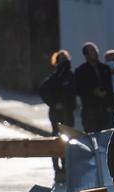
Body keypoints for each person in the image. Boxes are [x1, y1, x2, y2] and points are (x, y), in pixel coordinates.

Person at [38, 49, 76, 182]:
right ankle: (57, 169)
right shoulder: (55, 77)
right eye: (62, 60)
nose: (65, 62)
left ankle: (67, 168)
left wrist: (71, 105)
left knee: (69, 140)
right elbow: (43, 90)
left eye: (66, 59)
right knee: (56, 139)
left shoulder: (71, 76)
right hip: (56, 113)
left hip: (68, 114)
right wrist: (54, 104)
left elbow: (74, 92)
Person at [74, 42, 114, 133]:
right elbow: (78, 89)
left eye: (95, 50)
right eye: (92, 51)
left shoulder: (104, 68)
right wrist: (93, 91)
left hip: (104, 110)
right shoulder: (81, 70)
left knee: (106, 136)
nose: (95, 52)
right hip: (90, 111)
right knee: (92, 137)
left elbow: (109, 88)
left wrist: (110, 105)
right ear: (86, 55)